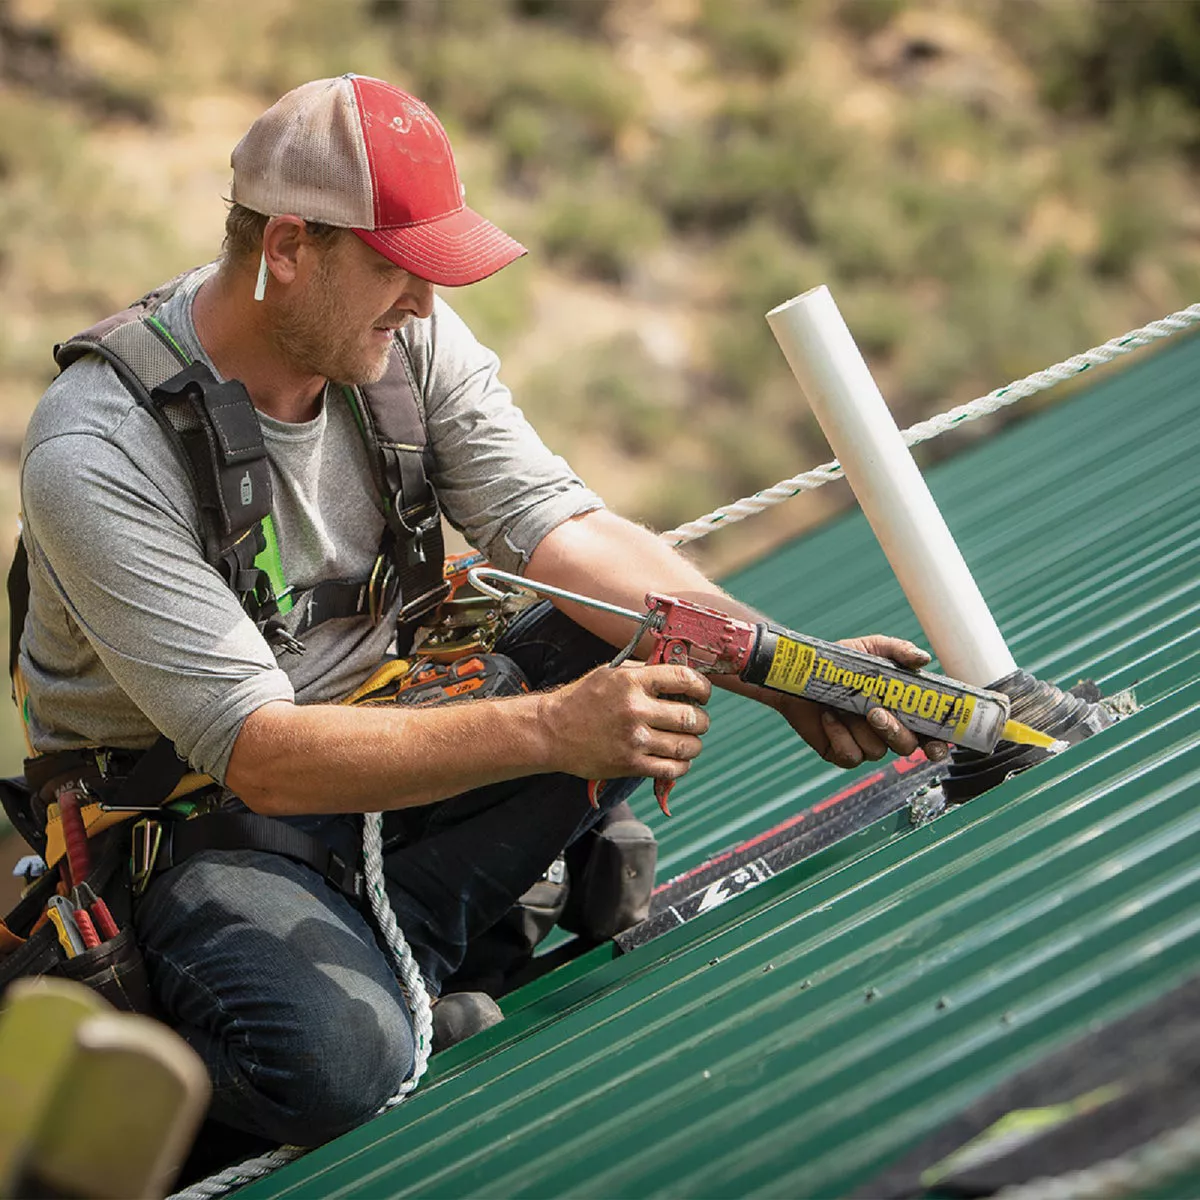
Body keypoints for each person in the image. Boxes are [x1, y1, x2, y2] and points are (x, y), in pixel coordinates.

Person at [14, 74, 946, 1148]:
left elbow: (562, 529)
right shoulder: (98, 452)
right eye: (396, 270)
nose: (422, 302)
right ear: (286, 247)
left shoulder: (403, 341)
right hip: (200, 830)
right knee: (331, 1066)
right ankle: (427, 955)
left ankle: (421, 943)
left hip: (392, 734)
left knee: (647, 648)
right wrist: (554, 734)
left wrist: (780, 666)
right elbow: (260, 753)